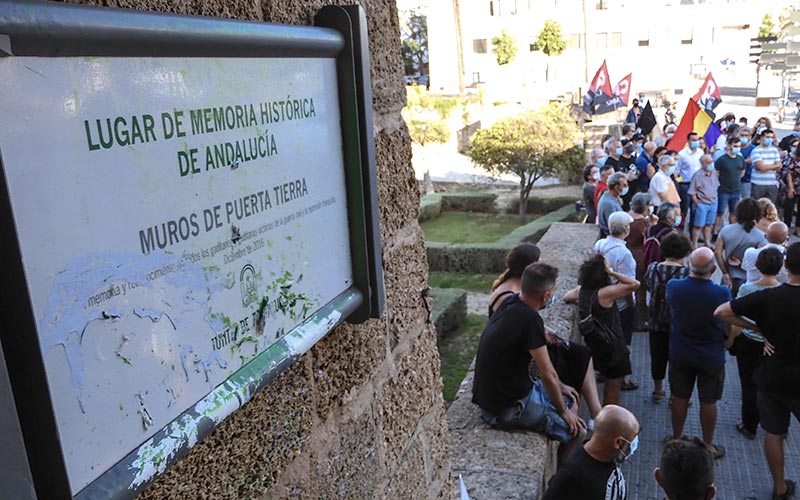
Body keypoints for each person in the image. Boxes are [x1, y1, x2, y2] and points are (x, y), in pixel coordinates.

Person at [715, 242, 800, 500]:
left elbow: (722, 311)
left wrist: (760, 329)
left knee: (773, 432)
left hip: (772, 375)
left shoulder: (767, 297)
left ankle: (779, 487)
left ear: (786, 265)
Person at [488, 243, 603, 422]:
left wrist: (544, 331)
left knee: (580, 354)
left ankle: (597, 413)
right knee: (573, 365)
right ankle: (593, 418)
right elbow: (513, 333)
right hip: (520, 359)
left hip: (526, 345)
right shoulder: (507, 297)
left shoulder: (519, 294)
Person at [472, 263, 586, 444]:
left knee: (571, 396)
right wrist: (564, 412)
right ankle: (564, 470)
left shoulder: (511, 301)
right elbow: (548, 374)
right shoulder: (530, 319)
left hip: (493, 398)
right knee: (578, 431)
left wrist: (562, 386)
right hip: (505, 409)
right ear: (546, 295)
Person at [666, 247, 731, 459]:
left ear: (688, 266)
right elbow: (727, 322)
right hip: (711, 355)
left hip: (681, 352)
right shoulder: (721, 293)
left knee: (679, 397)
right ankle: (708, 444)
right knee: (709, 401)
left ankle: (676, 438)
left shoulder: (674, 287)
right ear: (713, 269)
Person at [566, 253, 637, 406]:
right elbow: (634, 284)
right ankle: (606, 423)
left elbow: (567, 297)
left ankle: (596, 418)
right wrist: (612, 272)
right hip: (614, 346)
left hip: (596, 345)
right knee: (612, 391)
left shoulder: (581, 291)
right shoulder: (606, 293)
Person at [729, 248, 784, 442]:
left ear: (758, 266)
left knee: (749, 384)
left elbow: (735, 316)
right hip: (774, 344)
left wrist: (730, 340)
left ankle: (750, 425)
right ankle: (778, 426)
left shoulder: (747, 288)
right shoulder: (782, 291)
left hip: (749, 342)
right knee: (772, 384)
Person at [543, 405, 639, 500]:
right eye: (632, 441)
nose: (633, 446)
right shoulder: (572, 474)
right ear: (618, 442)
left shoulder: (608, 457)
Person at [644, 232, 692, 404]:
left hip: (655, 322)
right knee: (676, 359)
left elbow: (648, 285)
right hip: (678, 324)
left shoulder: (653, 268)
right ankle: (675, 395)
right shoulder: (687, 272)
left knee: (657, 356)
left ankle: (658, 390)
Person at [593, 211, 638, 391]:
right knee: (623, 341)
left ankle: (604, 371)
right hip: (619, 303)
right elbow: (628, 284)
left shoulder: (600, 244)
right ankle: (622, 379)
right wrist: (631, 304)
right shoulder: (624, 254)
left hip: (602, 297)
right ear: (626, 229)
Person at [714, 198, 765, 297]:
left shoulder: (726, 230)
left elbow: (717, 252)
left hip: (729, 277)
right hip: (749, 279)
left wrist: (725, 272)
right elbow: (760, 260)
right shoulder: (761, 236)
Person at [627, 193, 656, 331]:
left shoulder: (626, 217)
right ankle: (640, 322)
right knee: (640, 291)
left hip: (627, 254)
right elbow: (648, 240)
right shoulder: (642, 223)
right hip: (639, 257)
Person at [714, 136, 745, 234]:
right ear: (729, 145)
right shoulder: (722, 159)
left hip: (736, 190)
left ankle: (732, 232)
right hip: (723, 191)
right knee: (720, 212)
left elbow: (742, 171)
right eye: (735, 146)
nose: (737, 148)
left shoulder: (740, 158)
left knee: (734, 213)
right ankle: (715, 232)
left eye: (739, 146)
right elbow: (716, 173)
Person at [688, 155, 720, 248]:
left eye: (711, 162)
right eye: (708, 162)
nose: (711, 164)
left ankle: (707, 242)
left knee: (709, 225)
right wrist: (697, 204)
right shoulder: (697, 176)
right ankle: (694, 244)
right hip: (702, 204)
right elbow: (692, 192)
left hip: (713, 202)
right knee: (698, 225)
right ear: (703, 164)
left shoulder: (714, 173)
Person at [677, 132, 704, 229]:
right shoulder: (682, 154)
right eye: (693, 140)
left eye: (697, 140)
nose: (696, 142)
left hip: (698, 185)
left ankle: (693, 232)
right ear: (688, 141)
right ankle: (681, 230)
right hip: (686, 185)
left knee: (696, 210)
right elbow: (677, 170)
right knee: (684, 208)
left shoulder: (701, 152)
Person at [750, 128, 781, 203]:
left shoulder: (774, 150)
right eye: (767, 137)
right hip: (758, 184)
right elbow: (761, 167)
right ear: (761, 137)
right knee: (756, 206)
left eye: (771, 137)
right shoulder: (756, 151)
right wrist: (773, 166)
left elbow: (779, 166)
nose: (769, 139)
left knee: (770, 207)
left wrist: (766, 167)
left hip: (772, 184)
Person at [597, 173, 628, 238]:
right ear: (616, 187)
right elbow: (614, 228)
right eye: (624, 185)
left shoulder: (612, 198)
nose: (626, 187)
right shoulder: (609, 204)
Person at [779, 139, 800, 236]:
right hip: (793, 186)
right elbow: (789, 173)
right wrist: (790, 188)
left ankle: (798, 228)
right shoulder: (794, 157)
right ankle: (786, 226)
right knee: (789, 207)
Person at [739, 127, 756, 198]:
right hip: (734, 178)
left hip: (747, 178)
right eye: (742, 135)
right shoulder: (735, 147)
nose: (744, 137)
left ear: (750, 137)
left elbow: (749, 161)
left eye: (746, 135)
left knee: (745, 199)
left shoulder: (753, 149)